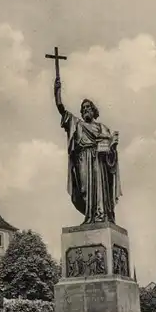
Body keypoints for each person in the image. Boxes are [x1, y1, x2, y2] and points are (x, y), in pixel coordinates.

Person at [54, 77, 122, 224]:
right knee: (84, 190)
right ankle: (90, 217)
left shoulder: (101, 127)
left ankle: (101, 215)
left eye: (88, 108)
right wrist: (57, 92)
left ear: (93, 110)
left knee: (99, 191)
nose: (86, 110)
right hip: (83, 160)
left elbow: (110, 147)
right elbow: (61, 108)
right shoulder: (76, 124)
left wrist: (112, 146)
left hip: (98, 161)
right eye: (83, 108)